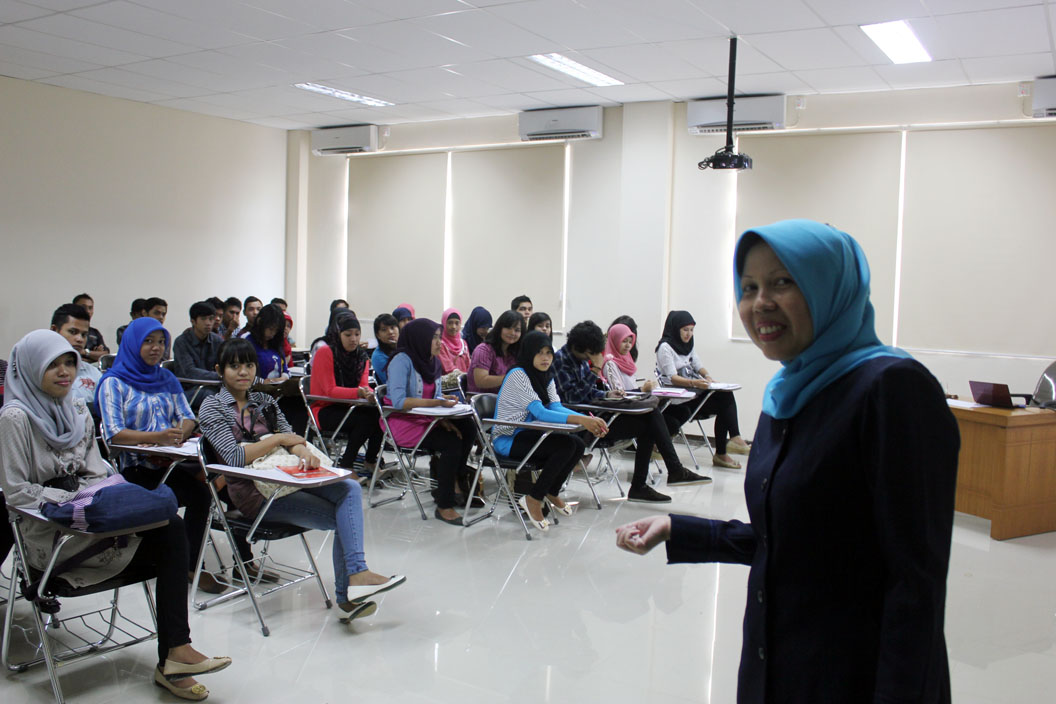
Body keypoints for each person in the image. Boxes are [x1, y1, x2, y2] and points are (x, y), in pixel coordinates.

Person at [616, 219, 960, 704]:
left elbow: (914, 588)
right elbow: (792, 540)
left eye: (782, 282)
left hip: (850, 677)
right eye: (748, 287)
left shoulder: (892, 389)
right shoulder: (789, 391)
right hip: (776, 665)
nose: (760, 303)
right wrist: (679, 528)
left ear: (831, 287)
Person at [0, 329, 232, 701]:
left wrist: (101, 497)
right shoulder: (15, 418)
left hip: (94, 521)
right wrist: (71, 499)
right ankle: (174, 654)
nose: (64, 372)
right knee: (165, 524)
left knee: (170, 526)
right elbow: (16, 492)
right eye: (52, 365)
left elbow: (96, 472)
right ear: (29, 369)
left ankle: (175, 653)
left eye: (69, 363)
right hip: (52, 536)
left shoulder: (76, 410)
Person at [199, 338, 404, 617]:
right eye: (234, 366)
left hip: (289, 478)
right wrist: (278, 440)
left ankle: (356, 576)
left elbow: (292, 437)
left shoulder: (264, 401)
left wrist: (300, 449)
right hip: (257, 493)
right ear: (219, 370)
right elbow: (234, 457)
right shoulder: (212, 407)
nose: (243, 372)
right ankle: (348, 593)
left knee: (350, 489)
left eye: (248, 365)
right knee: (344, 517)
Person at [95, 318, 223, 596]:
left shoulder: (166, 378)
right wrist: (157, 437)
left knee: (202, 495)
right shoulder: (113, 383)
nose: (157, 348)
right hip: (133, 469)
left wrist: (180, 433)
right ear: (133, 344)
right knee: (167, 505)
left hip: (168, 463)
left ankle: (191, 565)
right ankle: (163, 558)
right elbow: (114, 434)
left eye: (161, 342)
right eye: (148, 341)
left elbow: (187, 416)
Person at [554, 320, 710, 502]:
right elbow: (573, 399)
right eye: (592, 353)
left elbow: (589, 392)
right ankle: (660, 477)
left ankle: (652, 481)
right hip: (582, 424)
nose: (596, 356)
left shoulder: (579, 359)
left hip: (596, 416)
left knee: (650, 415)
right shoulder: (560, 362)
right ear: (581, 348)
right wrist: (595, 368)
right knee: (650, 420)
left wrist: (607, 394)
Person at [492, 331, 607, 531]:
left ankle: (551, 491)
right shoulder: (518, 374)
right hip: (508, 439)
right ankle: (533, 498)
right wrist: (582, 420)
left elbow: (556, 406)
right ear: (529, 353)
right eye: (540, 353)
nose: (545, 358)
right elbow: (541, 412)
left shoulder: (546, 375)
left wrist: (588, 420)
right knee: (564, 447)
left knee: (577, 444)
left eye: (548, 353)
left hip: (529, 433)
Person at [383, 319, 476, 524]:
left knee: (468, 428)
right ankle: (445, 504)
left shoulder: (433, 361)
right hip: (403, 422)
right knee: (451, 442)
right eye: (434, 337)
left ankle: (456, 478)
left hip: (426, 418)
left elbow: (434, 394)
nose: (439, 342)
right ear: (420, 339)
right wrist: (437, 404)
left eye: (439, 337)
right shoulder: (401, 361)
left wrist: (441, 411)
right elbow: (399, 402)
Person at [656, 310, 749, 468]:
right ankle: (726, 449)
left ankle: (731, 442)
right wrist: (695, 383)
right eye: (685, 330)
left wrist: (708, 377)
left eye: (692, 330)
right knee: (723, 401)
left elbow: (698, 365)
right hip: (678, 400)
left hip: (693, 394)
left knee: (725, 397)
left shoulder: (688, 345)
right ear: (676, 329)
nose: (689, 334)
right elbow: (672, 377)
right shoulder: (665, 348)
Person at [310, 311, 383, 474]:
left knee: (379, 414)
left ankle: (371, 461)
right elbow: (330, 391)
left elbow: (364, 386)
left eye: (357, 334)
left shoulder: (361, 356)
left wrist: (370, 394)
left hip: (348, 407)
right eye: (348, 334)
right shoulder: (326, 352)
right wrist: (359, 393)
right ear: (338, 334)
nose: (353, 339)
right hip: (323, 409)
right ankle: (346, 464)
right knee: (365, 419)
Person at [244, 303, 307, 435]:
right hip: (256, 392)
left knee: (301, 403)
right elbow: (242, 373)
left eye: (276, 330)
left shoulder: (275, 344)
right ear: (260, 322)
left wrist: (283, 377)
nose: (272, 334)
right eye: (270, 329)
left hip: (277, 391)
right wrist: (263, 381)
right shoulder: (247, 341)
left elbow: (285, 369)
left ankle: (299, 437)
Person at [49, 303, 103, 417]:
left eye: (84, 334)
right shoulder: (42, 372)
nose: (80, 339)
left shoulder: (93, 373)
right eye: (73, 332)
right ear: (54, 330)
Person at [173, 301, 223, 408]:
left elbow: (224, 365)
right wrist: (220, 376)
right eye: (203, 319)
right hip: (188, 390)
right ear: (193, 321)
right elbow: (190, 372)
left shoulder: (217, 341)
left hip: (213, 386)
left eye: (211, 319)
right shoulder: (181, 342)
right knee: (211, 395)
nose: (208, 323)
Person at [467, 310, 523, 393]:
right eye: (508, 328)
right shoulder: (484, 350)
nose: (512, 333)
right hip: (482, 398)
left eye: (517, 330)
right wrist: (509, 378)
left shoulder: (513, 352)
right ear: (499, 328)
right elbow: (481, 381)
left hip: (504, 397)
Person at [72, 293, 109, 362]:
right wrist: (94, 356)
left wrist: (84, 352)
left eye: (90, 308)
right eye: (83, 307)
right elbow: (71, 358)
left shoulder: (95, 332)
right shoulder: (69, 331)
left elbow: (105, 355)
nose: (88, 311)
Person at [437, 308, 470, 374]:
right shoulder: (440, 344)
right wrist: (464, 376)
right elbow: (448, 369)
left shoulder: (463, 343)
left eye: (457, 323)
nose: (453, 327)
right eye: (450, 323)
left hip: (464, 379)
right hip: (449, 379)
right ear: (444, 323)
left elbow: (469, 365)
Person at [372, 314, 399, 385]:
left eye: (392, 327)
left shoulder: (404, 347)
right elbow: (395, 380)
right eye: (384, 330)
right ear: (378, 335)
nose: (390, 332)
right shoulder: (378, 356)